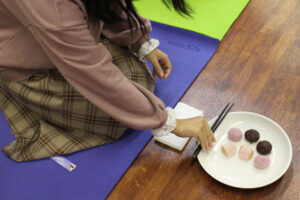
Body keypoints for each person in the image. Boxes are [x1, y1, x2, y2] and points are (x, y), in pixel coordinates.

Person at [0, 0, 215, 162]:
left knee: (139, 83)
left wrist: (140, 41)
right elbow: (93, 75)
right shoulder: (51, 8)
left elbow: (106, 4)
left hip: (57, 35)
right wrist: (169, 122)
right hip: (24, 65)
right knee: (118, 118)